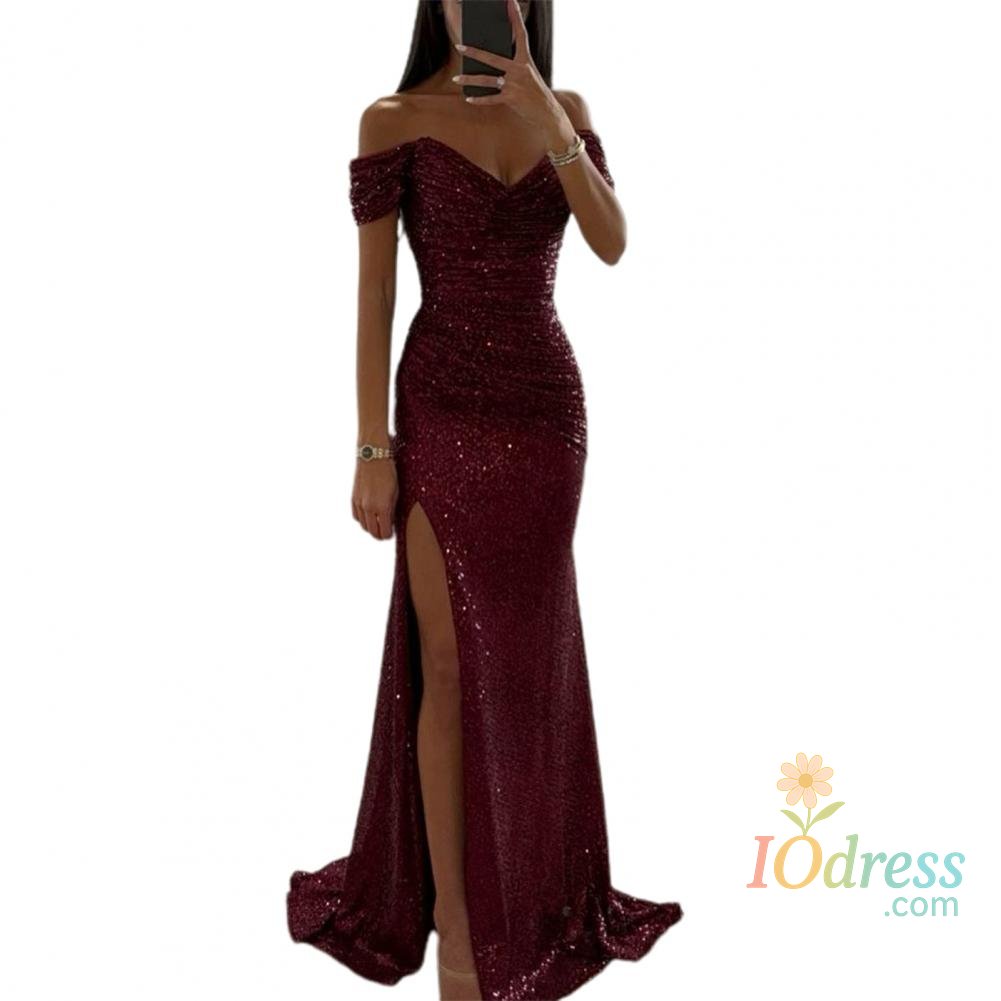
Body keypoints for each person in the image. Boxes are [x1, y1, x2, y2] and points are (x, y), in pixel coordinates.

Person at [287, 3, 682, 998]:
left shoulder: (564, 108)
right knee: (448, 663)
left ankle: (536, 889)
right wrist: (370, 443)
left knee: (526, 659)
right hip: (439, 404)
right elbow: (375, 293)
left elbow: (611, 242)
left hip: (545, 413)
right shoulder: (390, 119)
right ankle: (459, 935)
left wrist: (548, 118)